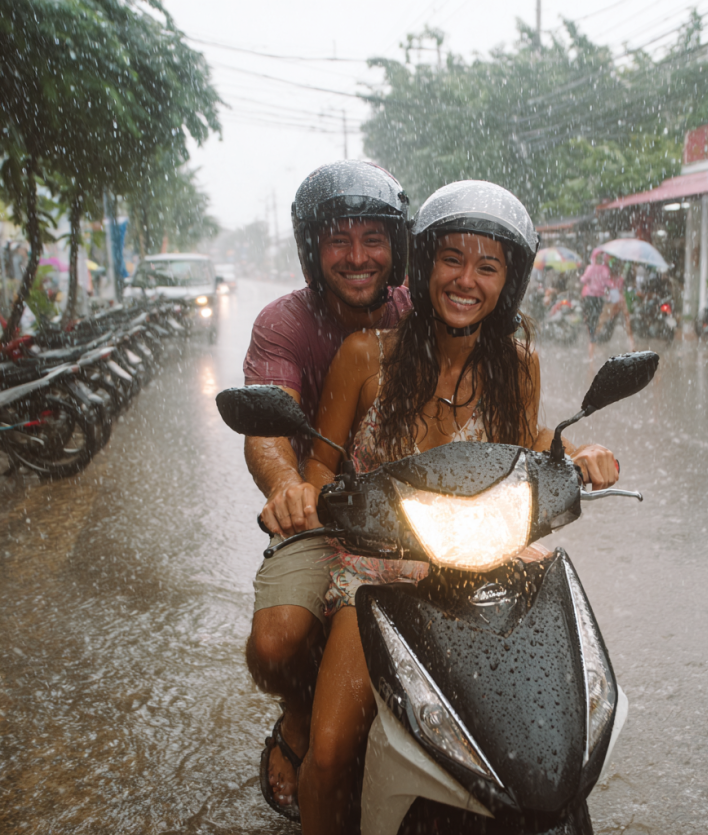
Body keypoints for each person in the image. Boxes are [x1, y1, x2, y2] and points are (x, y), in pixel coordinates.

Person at [289, 181, 621, 834]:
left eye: (487, 265)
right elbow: (320, 466)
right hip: (377, 570)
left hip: (486, 561)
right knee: (327, 752)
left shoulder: (517, 363)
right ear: (423, 264)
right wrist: (303, 492)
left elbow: (522, 446)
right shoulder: (364, 356)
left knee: (552, 726)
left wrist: (577, 453)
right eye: (452, 258)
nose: (465, 278)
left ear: (509, 280)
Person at [241, 160, 411, 821]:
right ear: (312, 247)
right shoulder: (283, 323)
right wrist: (287, 485)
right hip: (322, 509)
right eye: (339, 238)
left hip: (417, 514)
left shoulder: (419, 308)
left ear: (398, 247)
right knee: (278, 639)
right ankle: (298, 713)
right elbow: (264, 425)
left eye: (374, 238)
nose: (357, 256)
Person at [579, 248, 612, 359]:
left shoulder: (590, 268)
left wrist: (583, 277)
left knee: (590, 319)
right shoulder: (605, 269)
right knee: (596, 318)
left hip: (588, 296)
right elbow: (608, 283)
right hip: (599, 298)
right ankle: (593, 337)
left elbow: (583, 280)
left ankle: (591, 337)